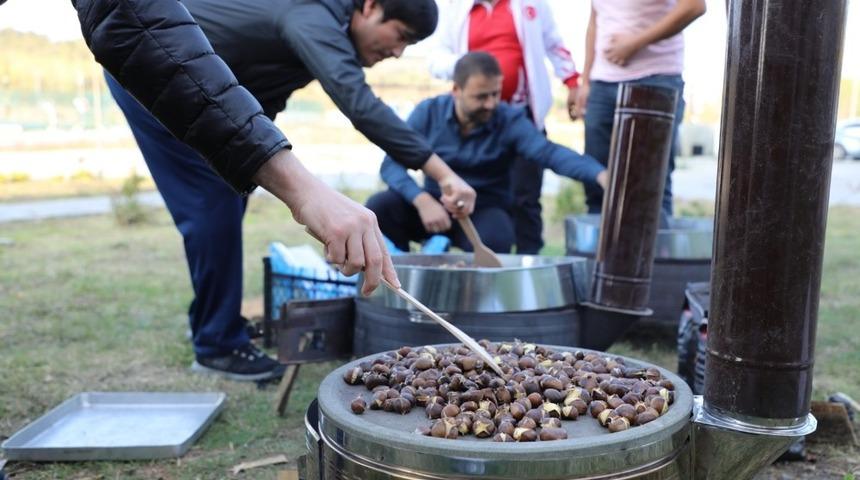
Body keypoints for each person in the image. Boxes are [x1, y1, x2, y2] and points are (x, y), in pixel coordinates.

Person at [73, 0, 478, 381]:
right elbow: (359, 103)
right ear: (370, 6)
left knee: (230, 197)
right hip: (155, 74)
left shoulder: (317, 22)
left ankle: (216, 322)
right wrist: (441, 173)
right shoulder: (313, 17)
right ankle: (216, 345)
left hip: (210, 98)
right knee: (212, 207)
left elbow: (262, 96)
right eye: (401, 35)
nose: (398, 52)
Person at [367, 52, 608, 253]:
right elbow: (391, 164)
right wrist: (421, 200)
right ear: (456, 90)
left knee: (498, 236)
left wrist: (599, 174)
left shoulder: (509, 119)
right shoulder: (428, 113)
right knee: (380, 207)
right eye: (481, 97)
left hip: (484, 210)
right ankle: (401, 276)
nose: (491, 104)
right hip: (434, 205)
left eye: (495, 94)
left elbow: (549, 153)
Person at [429, 0, 583, 254]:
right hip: (480, 121)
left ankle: (528, 265)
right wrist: (469, 67)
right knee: (479, 194)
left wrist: (572, 82)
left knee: (527, 199)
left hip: (521, 115)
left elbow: (554, 44)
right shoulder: (457, 8)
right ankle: (479, 258)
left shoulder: (530, 5)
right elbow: (435, 58)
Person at [573, 0, 706, 217]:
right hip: (601, 84)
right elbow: (595, 21)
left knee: (652, 187)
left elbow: (694, 6)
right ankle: (600, 250)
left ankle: (656, 251)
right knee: (597, 184)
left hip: (655, 78)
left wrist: (634, 43)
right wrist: (586, 81)